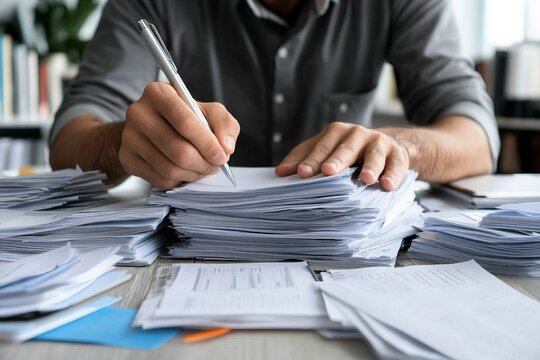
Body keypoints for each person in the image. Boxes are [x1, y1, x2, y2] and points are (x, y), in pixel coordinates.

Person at [49, 0, 499, 191]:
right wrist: (124, 143)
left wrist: (401, 148)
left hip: (346, 255)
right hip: (185, 253)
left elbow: (475, 136)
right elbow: (70, 138)